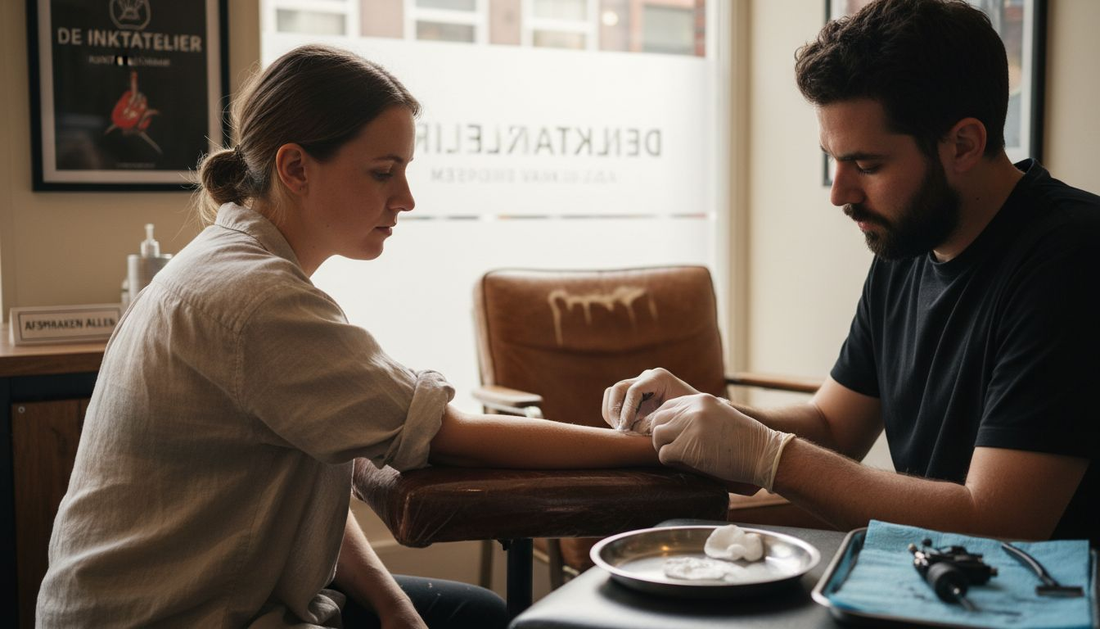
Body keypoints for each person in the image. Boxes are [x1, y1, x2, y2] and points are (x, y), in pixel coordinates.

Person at [37, 45, 656, 629]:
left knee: (468, 612)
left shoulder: (228, 264)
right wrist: (656, 448)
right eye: (384, 172)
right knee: (484, 616)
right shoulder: (253, 298)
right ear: (296, 167)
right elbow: (447, 438)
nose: (406, 199)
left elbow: (305, 470)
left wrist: (391, 605)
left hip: (153, 601)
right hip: (168, 615)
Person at [604, 0, 1098, 545]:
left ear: (963, 144)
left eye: (867, 165)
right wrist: (711, 413)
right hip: (932, 577)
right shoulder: (908, 241)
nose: (840, 194)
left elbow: (998, 522)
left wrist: (767, 456)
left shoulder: (1072, 256)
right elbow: (833, 427)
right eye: (833, 161)